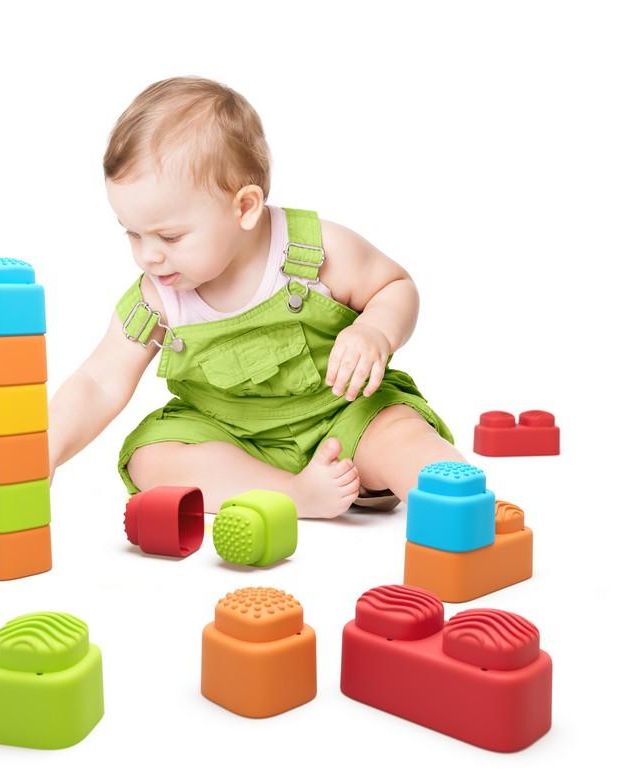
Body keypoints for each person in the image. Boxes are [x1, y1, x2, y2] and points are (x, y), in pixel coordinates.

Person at [49, 76, 467, 518]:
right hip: (232, 439)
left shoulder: (314, 251)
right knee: (150, 458)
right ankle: (292, 494)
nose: (148, 256)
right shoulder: (156, 301)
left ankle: (465, 507)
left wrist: (375, 330)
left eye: (169, 236)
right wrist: (46, 448)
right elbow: (98, 382)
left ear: (245, 207)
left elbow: (394, 286)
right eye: (133, 233)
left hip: (345, 420)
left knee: (399, 434)